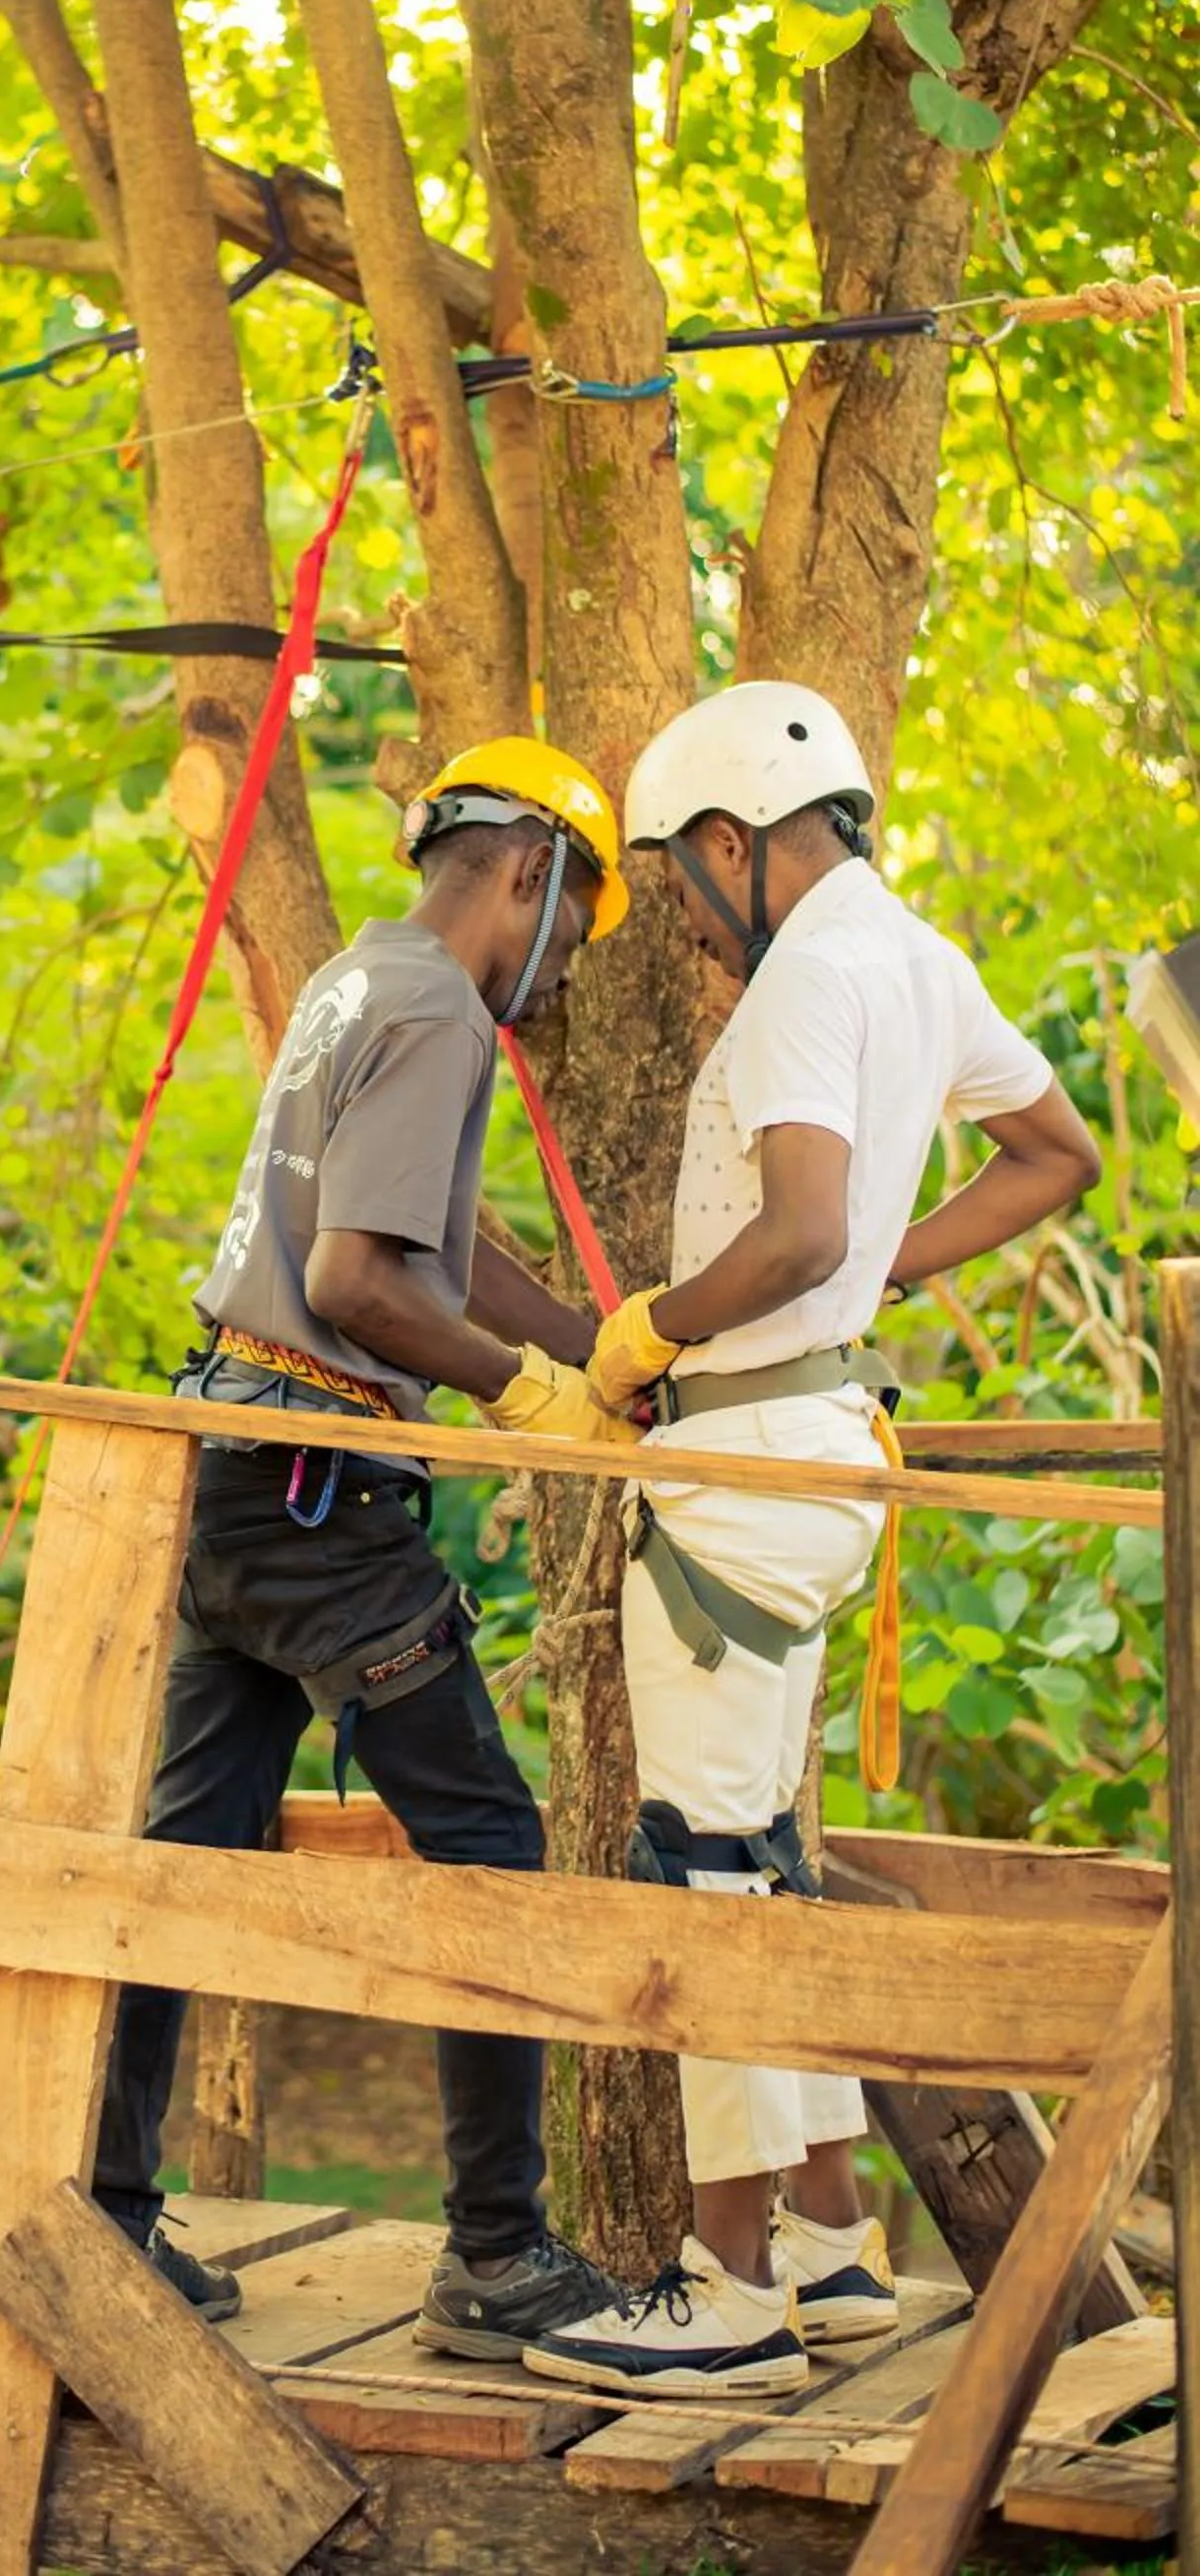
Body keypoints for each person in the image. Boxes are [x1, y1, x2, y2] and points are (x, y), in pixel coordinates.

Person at [519, 679, 1103, 2404]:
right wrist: (880, 1280)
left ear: (728, 843)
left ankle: (726, 2286)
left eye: (687, 889)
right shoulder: (914, 959)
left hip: (744, 1458)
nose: (692, 928)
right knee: (762, 1853)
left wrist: (648, 1330)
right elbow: (1047, 1153)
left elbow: (791, 1232)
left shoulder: (798, 986)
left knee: (701, 1872)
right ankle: (835, 2251)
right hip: (823, 1448)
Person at [92, 737, 642, 2357]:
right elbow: (359, 1284)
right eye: (574, 938)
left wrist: (604, 1347)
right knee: (490, 1851)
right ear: (530, 879)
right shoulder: (437, 1010)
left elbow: (443, 1243)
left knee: (183, 1861)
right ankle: (495, 2254)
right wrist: (527, 1396)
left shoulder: (360, 979)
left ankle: (109, 2216)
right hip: (320, 1495)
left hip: (234, 1469)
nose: (555, 986)